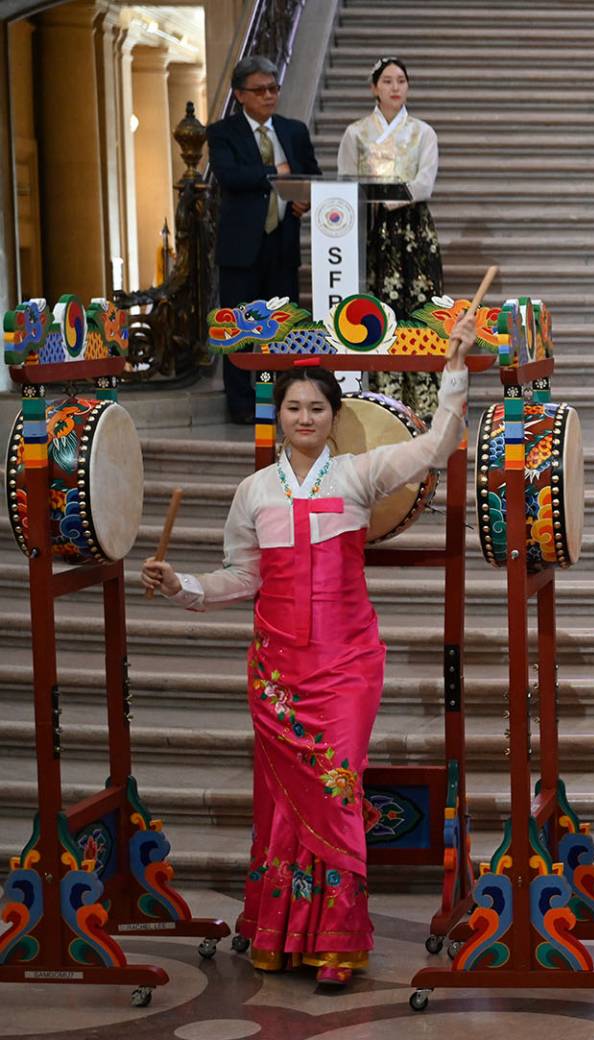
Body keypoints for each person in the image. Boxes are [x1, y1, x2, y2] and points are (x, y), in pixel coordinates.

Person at [141, 311, 480, 988]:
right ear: (279, 416)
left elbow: (436, 446)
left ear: (334, 416)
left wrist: (454, 365)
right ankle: (283, 935)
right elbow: (242, 578)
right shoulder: (254, 493)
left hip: (347, 662)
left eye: (317, 408)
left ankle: (337, 940)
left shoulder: (359, 474)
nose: (304, 418)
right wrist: (182, 586)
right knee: (281, 804)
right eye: (294, 407)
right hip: (277, 672)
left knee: (337, 788)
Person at [210, 56, 321, 425]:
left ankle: (284, 402)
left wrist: (305, 197)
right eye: (260, 90)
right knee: (239, 329)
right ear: (240, 94)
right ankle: (241, 404)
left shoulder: (293, 131)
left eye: (274, 88)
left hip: (282, 245)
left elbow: (311, 175)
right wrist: (276, 172)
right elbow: (231, 177)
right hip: (241, 248)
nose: (270, 96)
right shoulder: (222, 133)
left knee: (284, 329)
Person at [337, 57, 444, 421]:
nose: (395, 87)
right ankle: (385, 396)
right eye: (387, 81)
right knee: (382, 307)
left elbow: (425, 183)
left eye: (401, 81)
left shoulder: (423, 132)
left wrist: (386, 195)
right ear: (374, 88)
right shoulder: (356, 133)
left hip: (415, 229)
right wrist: (376, 198)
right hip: (376, 228)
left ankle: (425, 400)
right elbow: (346, 179)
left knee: (420, 306)